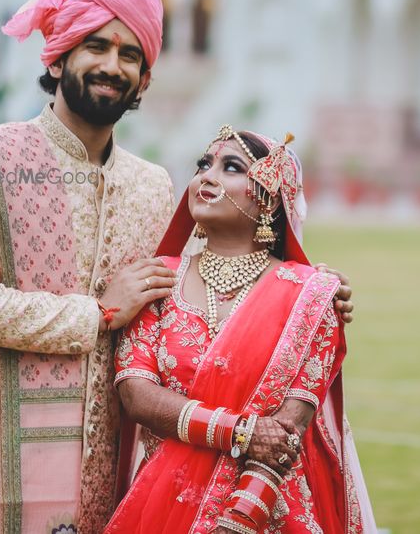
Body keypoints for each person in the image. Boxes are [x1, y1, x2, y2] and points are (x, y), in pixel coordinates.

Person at [0, 0, 355, 534]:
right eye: (95, 46)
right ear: (55, 59)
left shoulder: (152, 186)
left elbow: (228, 276)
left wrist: (317, 297)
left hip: (108, 471)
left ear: (144, 80)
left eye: (130, 55)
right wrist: (99, 312)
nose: (112, 66)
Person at [104, 126, 375, 534]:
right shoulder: (157, 282)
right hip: (167, 500)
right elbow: (136, 395)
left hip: (269, 500)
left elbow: (291, 424)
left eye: (231, 167)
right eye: (203, 165)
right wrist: (242, 431)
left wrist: (242, 514)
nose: (206, 177)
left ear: (269, 197)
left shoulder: (311, 294)